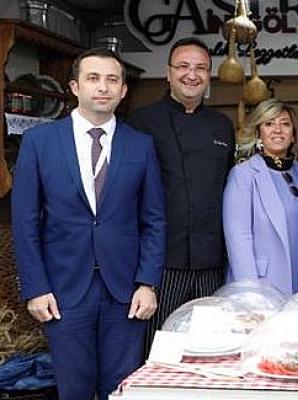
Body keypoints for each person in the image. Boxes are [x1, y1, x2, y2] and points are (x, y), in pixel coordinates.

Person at [11, 48, 166, 400]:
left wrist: (148, 283)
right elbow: (25, 222)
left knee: (122, 390)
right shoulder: (39, 142)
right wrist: (35, 287)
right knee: (74, 390)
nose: (103, 87)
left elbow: (154, 220)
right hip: (62, 290)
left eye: (112, 80)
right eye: (93, 78)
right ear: (75, 86)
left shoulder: (140, 145)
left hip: (126, 291)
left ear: (123, 91)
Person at [128, 37, 234, 350]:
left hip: (211, 263)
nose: (192, 74)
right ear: (168, 72)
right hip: (162, 263)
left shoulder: (222, 126)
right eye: (183, 66)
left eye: (201, 68)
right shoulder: (141, 122)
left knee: (209, 350)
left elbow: (228, 190)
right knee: (160, 350)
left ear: (209, 75)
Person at [223, 99, 298, 295]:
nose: (277, 130)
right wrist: (251, 292)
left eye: (285, 124)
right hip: (262, 284)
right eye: (269, 124)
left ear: (294, 135)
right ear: (258, 133)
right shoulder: (243, 175)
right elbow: (239, 239)